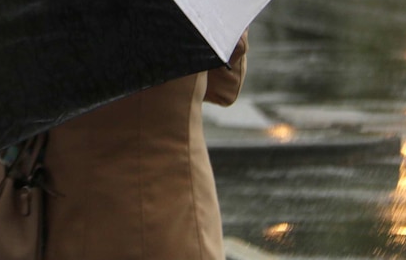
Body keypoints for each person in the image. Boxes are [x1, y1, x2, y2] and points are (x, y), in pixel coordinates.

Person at [40, 30, 249, 260]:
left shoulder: (41, 2)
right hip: (173, 217)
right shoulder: (186, 0)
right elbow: (224, 90)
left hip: (69, 215)